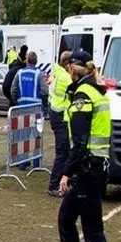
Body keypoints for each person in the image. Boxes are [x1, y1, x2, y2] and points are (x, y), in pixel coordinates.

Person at [50, 50, 114, 242]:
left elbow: (79, 143)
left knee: (92, 231)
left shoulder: (83, 96)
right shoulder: (97, 91)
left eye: (68, 67)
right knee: (66, 220)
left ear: (74, 69)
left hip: (87, 170)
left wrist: (66, 172)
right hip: (95, 168)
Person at [11, 51, 48, 170]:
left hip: (22, 108)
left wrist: (17, 101)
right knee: (37, 135)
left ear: (27, 61)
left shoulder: (19, 73)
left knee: (23, 135)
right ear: (36, 61)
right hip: (36, 109)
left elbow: (13, 90)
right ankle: (37, 164)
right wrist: (44, 104)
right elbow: (45, 91)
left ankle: (23, 162)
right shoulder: (40, 74)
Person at [47, 50, 73, 197]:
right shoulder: (64, 77)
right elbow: (75, 88)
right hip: (61, 117)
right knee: (62, 152)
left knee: (64, 152)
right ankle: (54, 185)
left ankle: (61, 183)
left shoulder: (57, 72)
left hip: (57, 115)